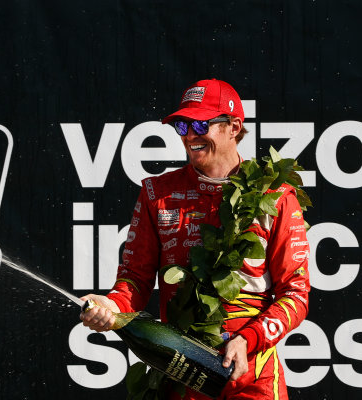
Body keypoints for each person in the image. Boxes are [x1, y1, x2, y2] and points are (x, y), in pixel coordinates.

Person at [80, 78, 310, 399]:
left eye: (201, 123)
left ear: (233, 127)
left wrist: (248, 339)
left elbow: (295, 295)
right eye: (182, 126)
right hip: (182, 374)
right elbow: (135, 280)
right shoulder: (156, 193)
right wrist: (111, 305)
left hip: (253, 378)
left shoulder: (275, 195)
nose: (190, 135)